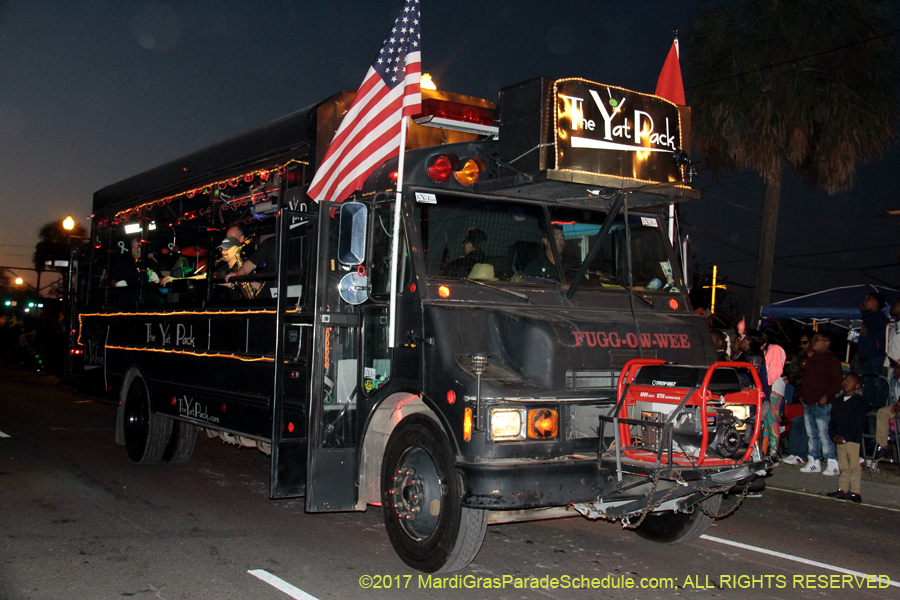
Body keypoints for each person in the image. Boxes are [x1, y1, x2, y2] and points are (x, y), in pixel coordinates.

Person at [799, 333, 843, 476]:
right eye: (813, 339)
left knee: (824, 433)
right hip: (809, 401)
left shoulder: (831, 359)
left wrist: (826, 396)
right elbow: (805, 378)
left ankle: (832, 462)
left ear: (827, 342)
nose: (813, 342)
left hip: (822, 403)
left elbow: (837, 381)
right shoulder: (813, 359)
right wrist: (802, 394)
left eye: (816, 340)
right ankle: (814, 460)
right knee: (811, 433)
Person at [826, 373, 867, 503]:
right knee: (843, 465)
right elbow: (832, 421)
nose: (846, 383)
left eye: (850, 381)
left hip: (852, 439)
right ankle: (843, 489)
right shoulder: (838, 401)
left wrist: (847, 437)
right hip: (839, 438)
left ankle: (855, 492)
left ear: (856, 385)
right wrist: (833, 436)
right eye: (845, 380)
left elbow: (858, 423)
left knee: (854, 465)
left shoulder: (858, 402)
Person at [858, 292, 888, 408]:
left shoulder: (879, 317)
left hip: (875, 355)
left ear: (876, 303)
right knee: (868, 382)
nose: (865, 302)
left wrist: (865, 314)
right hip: (865, 355)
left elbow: (874, 330)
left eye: (868, 299)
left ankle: (878, 405)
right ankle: (866, 405)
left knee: (877, 381)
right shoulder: (867, 316)